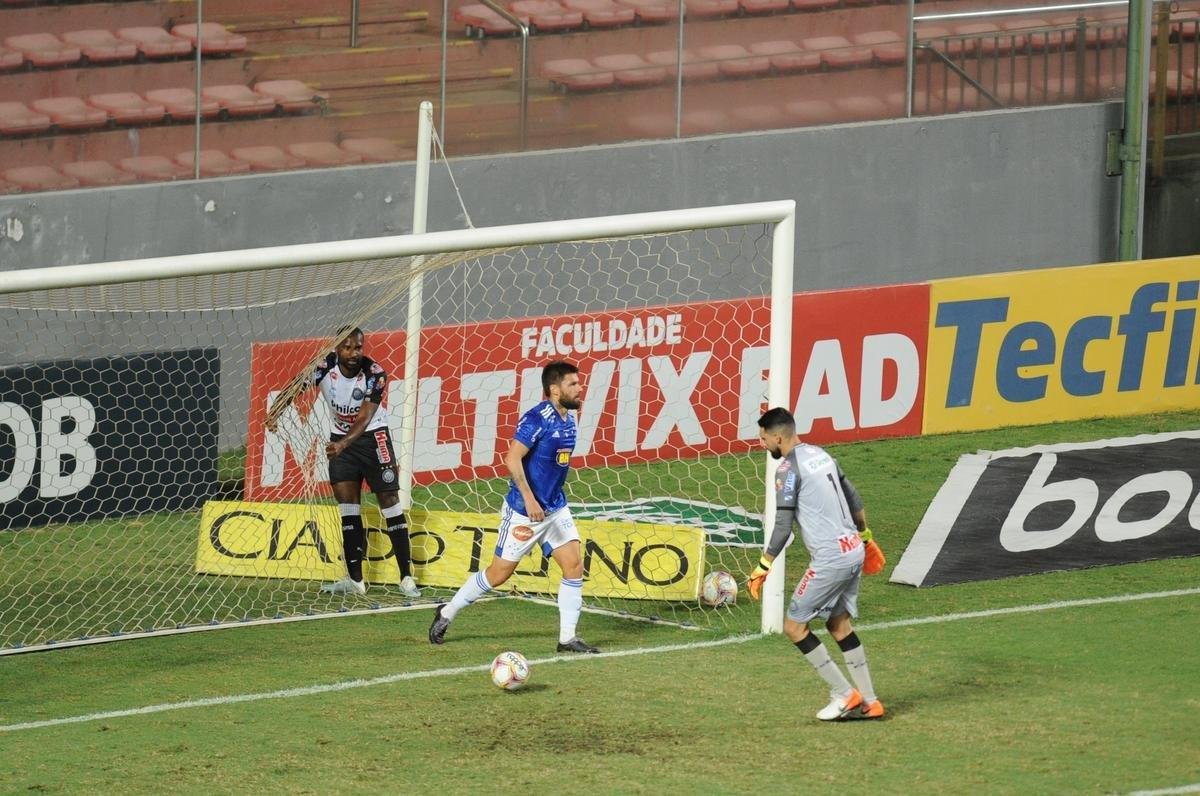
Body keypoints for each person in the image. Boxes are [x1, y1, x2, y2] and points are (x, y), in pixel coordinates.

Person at [429, 360, 599, 654]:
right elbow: (512, 459)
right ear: (554, 389)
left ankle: (567, 639)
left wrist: (548, 500)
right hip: (525, 510)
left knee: (573, 565)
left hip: (554, 508)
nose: (579, 387)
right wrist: (531, 499)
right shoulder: (536, 419)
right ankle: (447, 612)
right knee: (499, 574)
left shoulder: (568, 419)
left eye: (578, 382)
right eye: (573, 384)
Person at [746, 407, 885, 721]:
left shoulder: (787, 470)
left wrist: (763, 566)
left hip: (831, 559)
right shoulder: (821, 455)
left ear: (778, 437)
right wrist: (865, 536)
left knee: (794, 627)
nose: (762, 443)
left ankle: (844, 694)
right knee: (838, 625)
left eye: (763, 438)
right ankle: (871, 701)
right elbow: (853, 497)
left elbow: (783, 527)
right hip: (852, 550)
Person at [272, 327, 420, 598]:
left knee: (389, 501)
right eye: (348, 348)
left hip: (373, 438)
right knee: (348, 508)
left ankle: (406, 577)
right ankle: (356, 581)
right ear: (337, 349)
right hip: (341, 443)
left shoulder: (375, 374)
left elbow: (364, 417)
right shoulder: (324, 366)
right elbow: (297, 385)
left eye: (358, 348)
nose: (354, 354)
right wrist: (275, 411)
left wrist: (341, 444)